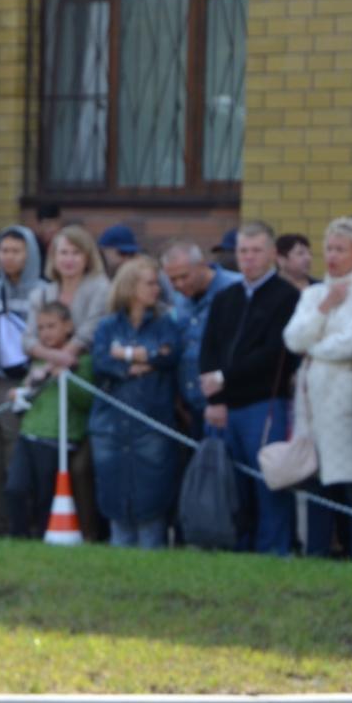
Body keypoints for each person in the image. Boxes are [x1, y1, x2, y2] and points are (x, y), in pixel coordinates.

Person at [282, 217, 352, 561]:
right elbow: (293, 338)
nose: (332, 256)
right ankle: (316, 552)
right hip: (312, 402)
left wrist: (313, 347)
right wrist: (325, 308)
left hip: (349, 401)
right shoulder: (314, 293)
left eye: (341, 249)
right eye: (328, 247)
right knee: (316, 480)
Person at [198, 221, 301, 555]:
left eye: (256, 251)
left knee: (268, 484)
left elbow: (274, 354)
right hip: (224, 408)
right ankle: (236, 549)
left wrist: (225, 378)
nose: (249, 258)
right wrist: (215, 398)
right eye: (243, 251)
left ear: (272, 254)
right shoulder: (225, 297)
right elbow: (209, 348)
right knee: (232, 486)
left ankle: (273, 551)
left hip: (263, 405)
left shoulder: (286, 297)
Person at [90, 258, 182, 548]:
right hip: (111, 423)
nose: (157, 288)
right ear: (130, 285)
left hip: (152, 419)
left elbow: (168, 353)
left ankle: (152, 562)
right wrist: (140, 360)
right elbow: (101, 361)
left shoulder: (166, 321)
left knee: (152, 495)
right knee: (115, 494)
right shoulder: (107, 325)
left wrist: (125, 354)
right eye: (150, 283)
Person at [0, 225, 46, 538]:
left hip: (35, 383)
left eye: (17, 251)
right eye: (4, 250)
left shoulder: (44, 291)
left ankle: (24, 527)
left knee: (16, 456)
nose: (9, 257)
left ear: (30, 254)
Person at [5, 302, 94, 538]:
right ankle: (18, 538)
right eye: (41, 327)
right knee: (16, 488)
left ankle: (44, 537)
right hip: (29, 433)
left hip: (58, 439)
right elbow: (26, 399)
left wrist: (68, 377)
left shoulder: (82, 362)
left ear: (68, 326)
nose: (45, 333)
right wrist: (19, 394)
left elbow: (87, 400)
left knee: (46, 496)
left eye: (52, 326)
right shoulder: (39, 361)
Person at [161, 240, 242, 438]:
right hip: (191, 406)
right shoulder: (180, 300)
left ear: (202, 265)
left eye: (184, 276)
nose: (179, 284)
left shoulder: (236, 288)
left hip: (230, 404)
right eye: (172, 280)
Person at [26, 225, 111, 358]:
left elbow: (90, 331)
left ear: (87, 257)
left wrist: (65, 356)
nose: (69, 259)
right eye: (63, 252)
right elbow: (28, 340)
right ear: (53, 257)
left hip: (87, 366)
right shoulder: (40, 295)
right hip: (46, 365)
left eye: (76, 252)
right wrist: (53, 357)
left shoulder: (101, 287)